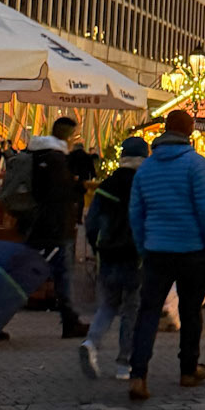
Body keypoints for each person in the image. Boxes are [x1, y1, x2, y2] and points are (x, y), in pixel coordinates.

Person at [127, 109, 205, 398]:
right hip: (192, 251)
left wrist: (143, 246)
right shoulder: (197, 165)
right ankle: (188, 370)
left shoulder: (146, 168)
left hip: (156, 250)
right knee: (190, 312)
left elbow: (136, 213)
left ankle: (138, 375)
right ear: (189, 131)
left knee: (148, 312)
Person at [6, 115, 88, 338]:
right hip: (54, 227)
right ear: (68, 136)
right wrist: (77, 187)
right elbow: (56, 194)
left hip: (36, 225)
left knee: (33, 273)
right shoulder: (56, 159)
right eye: (74, 135)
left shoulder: (38, 155)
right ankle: (69, 322)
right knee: (57, 275)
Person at [79, 134, 149, 379]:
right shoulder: (144, 186)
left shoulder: (107, 186)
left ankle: (91, 342)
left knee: (108, 305)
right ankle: (123, 363)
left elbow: (91, 223)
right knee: (131, 310)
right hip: (135, 256)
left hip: (108, 254)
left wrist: (97, 246)